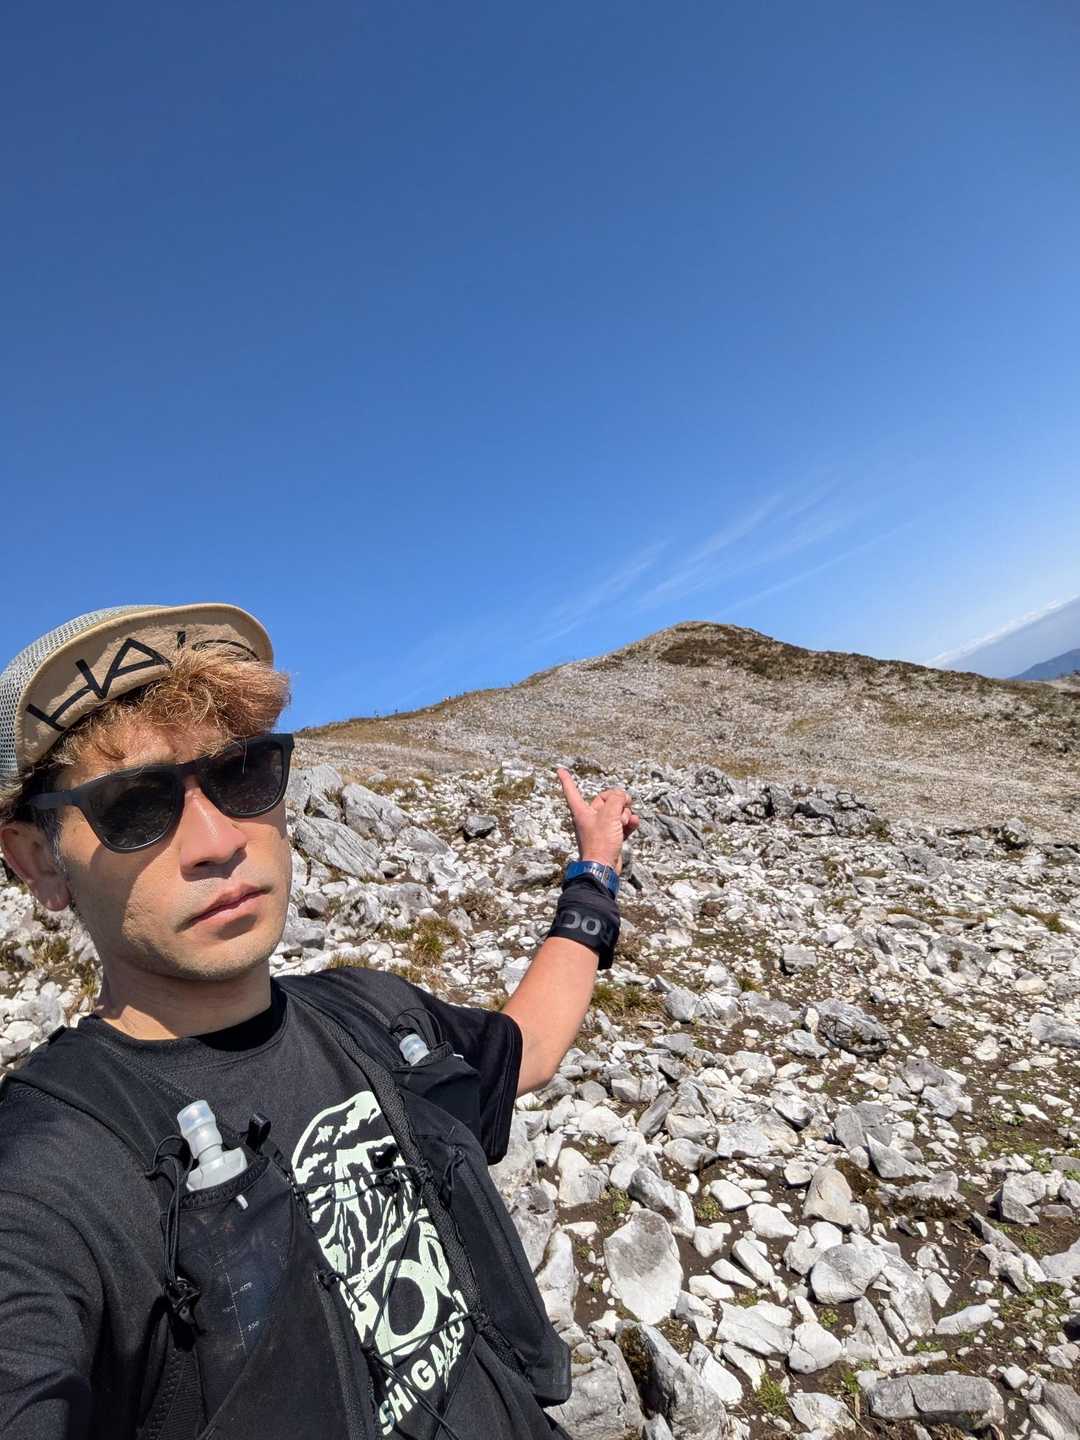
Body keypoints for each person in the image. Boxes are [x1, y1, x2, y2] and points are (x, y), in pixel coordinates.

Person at [0, 602, 639, 1440]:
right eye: (132, 806)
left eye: (240, 775)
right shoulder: (48, 1177)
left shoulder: (368, 1012)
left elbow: (532, 1045)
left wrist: (593, 874)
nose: (216, 840)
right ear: (39, 860)